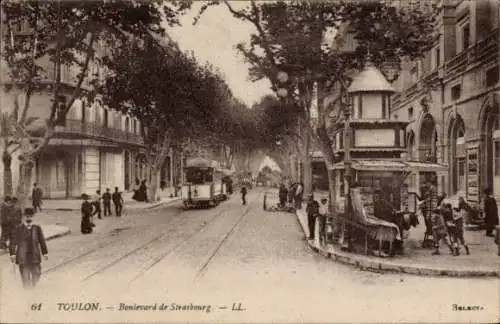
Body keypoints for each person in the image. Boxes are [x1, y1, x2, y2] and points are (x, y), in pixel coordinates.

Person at [9, 207, 48, 289]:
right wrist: (12, 253)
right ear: (24, 217)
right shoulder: (18, 228)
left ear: (33, 217)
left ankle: (33, 286)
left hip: (34, 256)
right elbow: (13, 242)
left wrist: (45, 253)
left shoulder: (37, 228)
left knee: (37, 274)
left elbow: (42, 241)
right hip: (23, 258)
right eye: (27, 217)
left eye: (30, 216)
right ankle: (28, 294)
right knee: (25, 278)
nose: (29, 218)